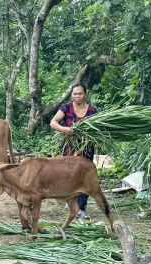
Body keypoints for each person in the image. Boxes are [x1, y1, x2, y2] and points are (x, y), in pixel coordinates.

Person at [49, 82, 98, 219]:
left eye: (80, 94)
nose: (77, 96)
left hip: (86, 148)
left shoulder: (92, 111)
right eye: (75, 94)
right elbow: (53, 123)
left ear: (85, 95)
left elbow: (98, 130)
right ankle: (70, 202)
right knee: (70, 176)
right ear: (71, 95)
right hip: (69, 148)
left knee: (85, 177)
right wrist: (64, 129)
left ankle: (81, 207)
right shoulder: (66, 108)